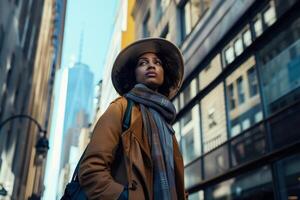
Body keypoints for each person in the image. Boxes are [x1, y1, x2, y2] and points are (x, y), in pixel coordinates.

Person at [78, 38, 186, 200]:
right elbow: (91, 169)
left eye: (157, 62)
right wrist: (126, 197)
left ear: (164, 72)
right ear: (133, 73)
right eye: (143, 63)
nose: (151, 66)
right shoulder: (121, 108)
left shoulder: (166, 125)